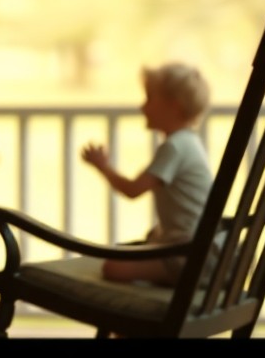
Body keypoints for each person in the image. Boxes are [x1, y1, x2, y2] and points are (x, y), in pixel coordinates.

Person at [79, 62, 216, 286]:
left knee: (113, 266)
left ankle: (131, 313)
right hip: (199, 248)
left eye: (150, 99)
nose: (142, 107)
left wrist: (103, 166)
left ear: (174, 106)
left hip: (189, 254)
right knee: (130, 249)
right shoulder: (190, 142)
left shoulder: (174, 147)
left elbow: (132, 190)